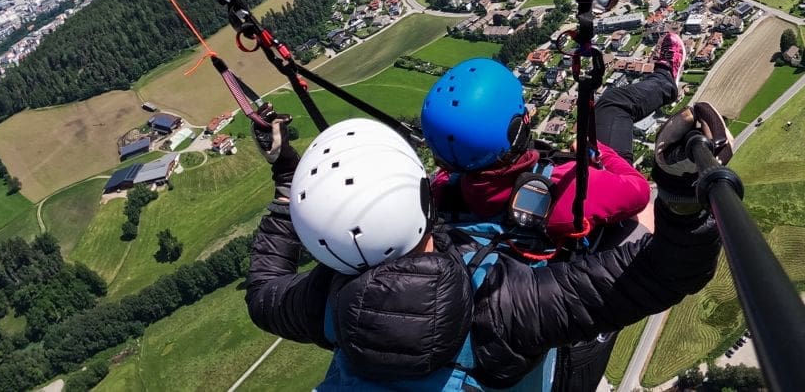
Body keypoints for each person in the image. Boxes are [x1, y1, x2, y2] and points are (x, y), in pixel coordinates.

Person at [246, 103, 728, 390]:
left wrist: (289, 181)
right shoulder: (504, 308)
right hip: (559, 376)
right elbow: (668, 268)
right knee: (623, 234)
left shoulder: (326, 304)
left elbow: (264, 292)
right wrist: (679, 192)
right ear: (422, 197)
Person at [419, 32, 684, 244]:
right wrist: (601, 151)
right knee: (614, 104)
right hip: (596, 241)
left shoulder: (442, 193)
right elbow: (637, 191)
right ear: (519, 125)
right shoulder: (566, 186)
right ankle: (665, 79)